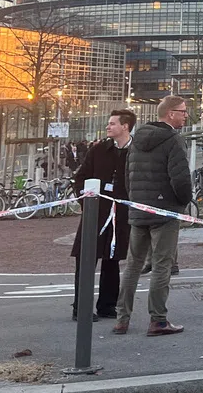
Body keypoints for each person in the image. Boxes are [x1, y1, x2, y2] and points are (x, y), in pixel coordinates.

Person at [113, 96, 192, 336]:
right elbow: (180, 178)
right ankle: (158, 320)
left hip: (139, 210)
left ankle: (122, 319)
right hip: (164, 212)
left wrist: (136, 201)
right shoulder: (173, 140)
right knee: (161, 265)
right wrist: (182, 203)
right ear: (170, 113)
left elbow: (128, 176)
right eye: (183, 111)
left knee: (133, 265)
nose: (186, 115)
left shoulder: (136, 141)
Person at [70, 109, 136, 321]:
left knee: (112, 259)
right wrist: (87, 203)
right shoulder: (98, 150)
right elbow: (80, 177)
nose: (108, 127)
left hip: (120, 215)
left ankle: (107, 305)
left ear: (125, 126)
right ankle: (81, 307)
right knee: (86, 259)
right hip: (95, 214)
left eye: (112, 123)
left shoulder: (136, 152)